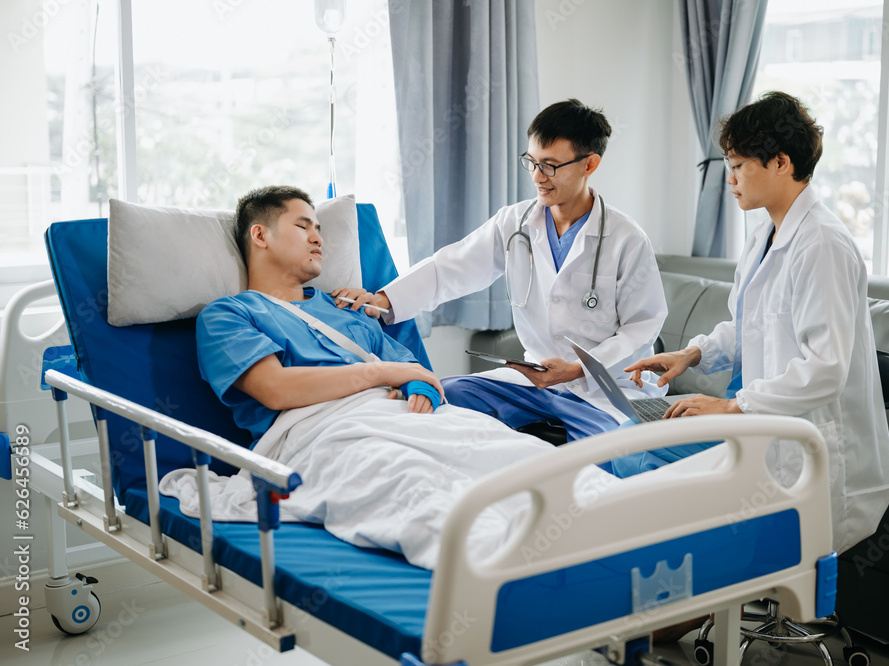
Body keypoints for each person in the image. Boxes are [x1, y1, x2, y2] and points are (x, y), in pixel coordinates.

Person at [189, 185, 611, 569]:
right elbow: (276, 390)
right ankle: (529, 573)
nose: (319, 237)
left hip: (408, 418)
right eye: (303, 226)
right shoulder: (228, 315)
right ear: (260, 236)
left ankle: (632, 532)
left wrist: (418, 383)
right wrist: (382, 372)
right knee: (416, 486)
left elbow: (419, 373)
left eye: (319, 227)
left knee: (516, 456)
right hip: (321, 434)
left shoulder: (345, 309)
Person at [624, 91, 889, 556]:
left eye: (738, 165)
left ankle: (684, 595)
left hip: (808, 447)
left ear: (780, 162)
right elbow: (748, 325)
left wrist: (733, 407)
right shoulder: (764, 236)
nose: (729, 180)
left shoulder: (822, 244)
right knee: (632, 448)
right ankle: (671, 592)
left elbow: (826, 368)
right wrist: (692, 354)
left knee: (645, 461)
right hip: (761, 424)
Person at [338, 99, 667, 444]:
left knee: (618, 454)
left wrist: (577, 369)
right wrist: (382, 300)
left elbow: (641, 327)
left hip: (605, 389)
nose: (538, 177)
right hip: (534, 382)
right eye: (532, 162)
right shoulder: (515, 223)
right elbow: (452, 267)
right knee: (446, 395)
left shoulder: (626, 239)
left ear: (589, 164)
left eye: (551, 166)